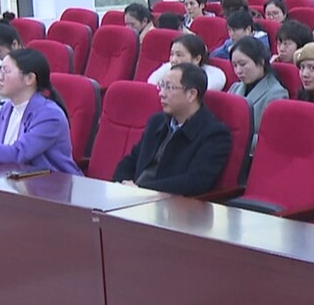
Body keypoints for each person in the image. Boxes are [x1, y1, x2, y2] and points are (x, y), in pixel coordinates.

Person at [112, 63, 233, 196]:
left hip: (169, 203)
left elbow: (195, 181)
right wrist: (122, 183)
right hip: (133, 195)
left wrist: (140, 190)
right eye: (162, 86)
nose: (161, 94)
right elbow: (131, 159)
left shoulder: (214, 134)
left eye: (169, 88)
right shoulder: (157, 122)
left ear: (191, 94)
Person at [226, 36, 288, 145]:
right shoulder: (234, 87)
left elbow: (269, 138)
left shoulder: (277, 94)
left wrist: (234, 138)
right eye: (234, 65)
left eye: (243, 64)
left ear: (261, 62)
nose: (238, 71)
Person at [148, 34, 227, 92]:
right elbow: (151, 85)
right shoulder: (169, 67)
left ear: (197, 59)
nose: (173, 59)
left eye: (179, 55)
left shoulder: (214, 76)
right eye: (172, 54)